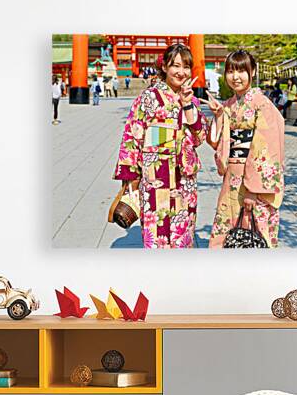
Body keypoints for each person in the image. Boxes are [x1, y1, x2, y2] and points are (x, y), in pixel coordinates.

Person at [114, 43, 206, 248]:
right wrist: (131, 179)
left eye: (186, 67)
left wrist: (188, 105)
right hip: (155, 176)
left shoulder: (193, 100)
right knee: (157, 234)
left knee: (183, 234)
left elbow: (200, 138)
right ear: (164, 67)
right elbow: (132, 136)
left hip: (185, 179)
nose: (181, 72)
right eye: (176, 66)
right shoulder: (148, 98)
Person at [204, 49, 285, 248]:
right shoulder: (229, 105)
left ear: (253, 72)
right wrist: (218, 116)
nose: (235, 77)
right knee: (226, 231)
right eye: (231, 71)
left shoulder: (262, 105)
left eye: (241, 71)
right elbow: (217, 142)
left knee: (254, 233)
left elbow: (267, 149)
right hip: (231, 177)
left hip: (253, 183)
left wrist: (252, 191)